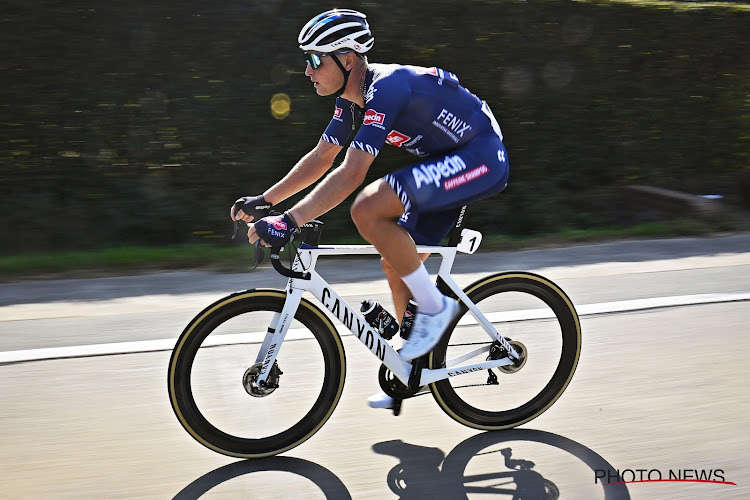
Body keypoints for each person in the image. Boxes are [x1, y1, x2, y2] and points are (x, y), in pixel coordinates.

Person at [231, 9, 509, 409]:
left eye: (314, 59)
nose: (307, 71)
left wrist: (290, 221)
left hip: (480, 156)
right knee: (394, 260)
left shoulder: (387, 88)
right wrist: (267, 200)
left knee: (368, 209)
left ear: (346, 60)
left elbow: (351, 173)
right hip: (446, 161)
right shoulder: (351, 98)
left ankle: (433, 308)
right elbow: (323, 156)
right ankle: (412, 366)